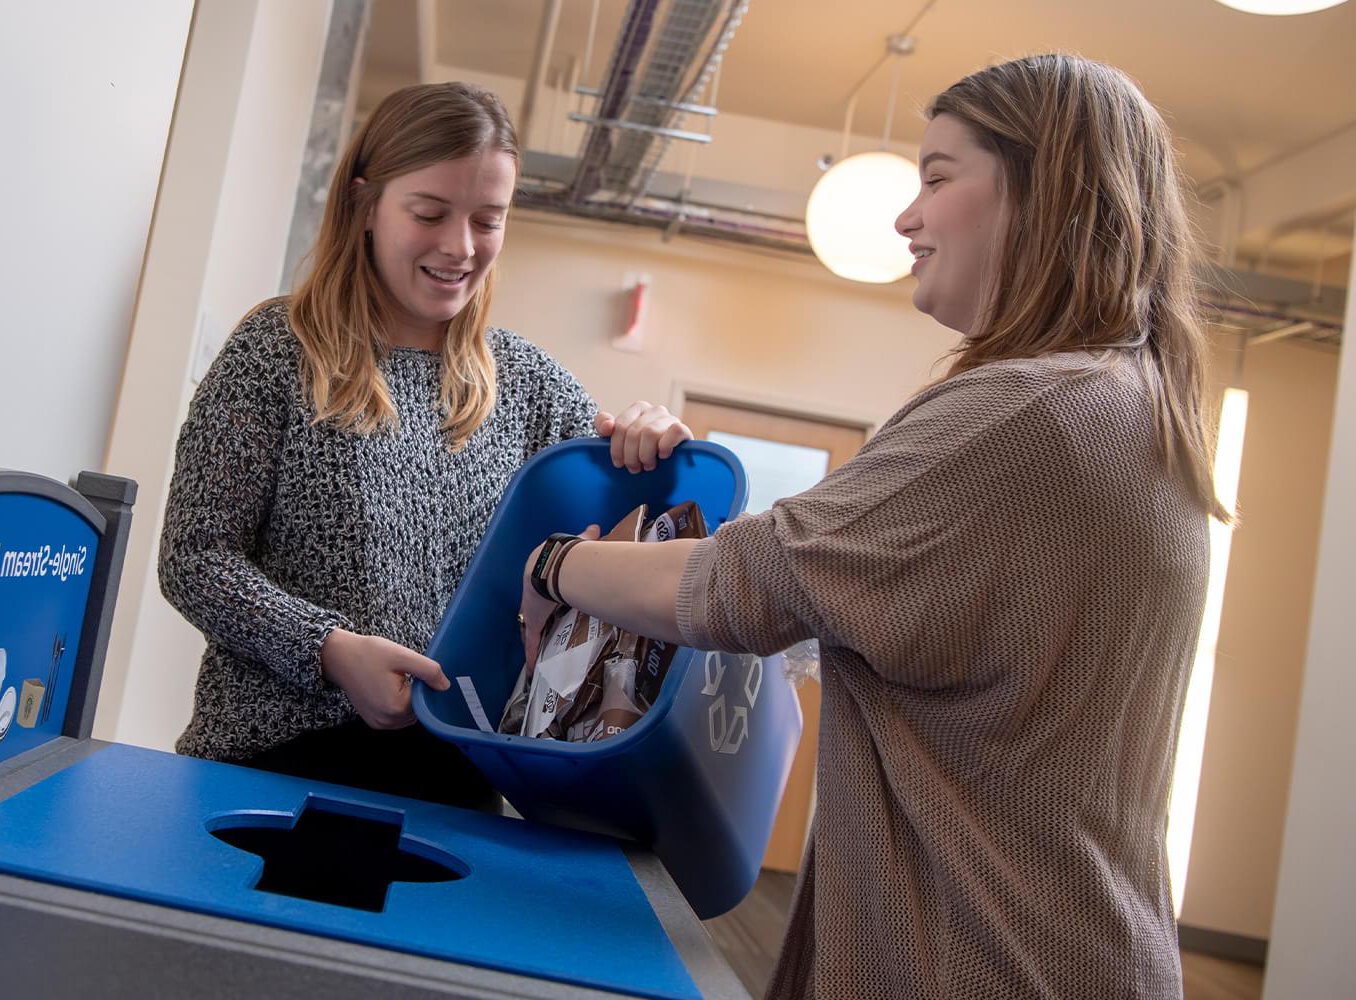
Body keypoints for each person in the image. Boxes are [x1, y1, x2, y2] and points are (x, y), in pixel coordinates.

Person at [519, 54, 1224, 997]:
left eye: (937, 178)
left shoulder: (1025, 412)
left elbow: (739, 586)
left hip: (983, 959)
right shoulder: (1135, 409)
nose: (907, 218)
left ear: (1045, 190)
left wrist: (555, 564)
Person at [160, 82, 690, 809]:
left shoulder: (531, 386)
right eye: (430, 213)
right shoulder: (278, 350)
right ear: (364, 205)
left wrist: (652, 441)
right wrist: (329, 650)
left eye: (487, 220)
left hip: (463, 784)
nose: (461, 247)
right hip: (272, 772)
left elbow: (630, 543)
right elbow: (193, 557)